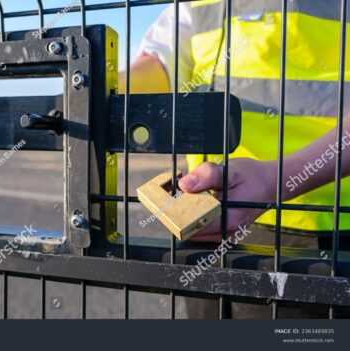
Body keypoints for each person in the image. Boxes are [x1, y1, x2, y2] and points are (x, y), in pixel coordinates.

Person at [120, 0, 350, 318]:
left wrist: (276, 179)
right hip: (207, 222)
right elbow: (162, 63)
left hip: (321, 231)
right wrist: (92, 93)